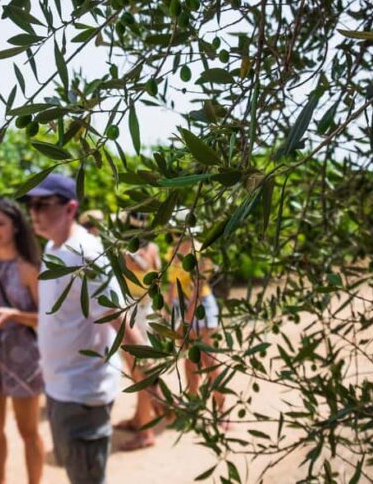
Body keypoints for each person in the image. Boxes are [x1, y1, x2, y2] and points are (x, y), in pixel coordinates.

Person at [23, 173, 144, 484]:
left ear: (70, 208)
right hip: (60, 387)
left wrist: (150, 376)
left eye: (43, 204)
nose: (34, 212)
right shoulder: (53, 247)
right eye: (31, 205)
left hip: (83, 392)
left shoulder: (85, 253)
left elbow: (118, 316)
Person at [0, 199, 44, 484]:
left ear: (16, 227)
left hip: (23, 355)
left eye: (0, 224)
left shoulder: (29, 268)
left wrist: (15, 316)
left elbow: (45, 319)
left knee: (28, 429)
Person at [114, 212, 162, 451]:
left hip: (139, 314)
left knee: (140, 373)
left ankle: (146, 431)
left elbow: (142, 266)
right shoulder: (151, 247)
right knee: (139, 372)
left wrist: (127, 252)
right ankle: (140, 420)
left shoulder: (136, 250)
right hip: (142, 310)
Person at [166, 234, 225, 420]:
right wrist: (168, 309)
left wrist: (188, 315)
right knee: (189, 358)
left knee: (209, 359)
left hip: (201, 306)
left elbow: (199, 286)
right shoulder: (172, 250)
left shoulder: (201, 251)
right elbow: (171, 283)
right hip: (180, 306)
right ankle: (193, 405)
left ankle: (223, 410)